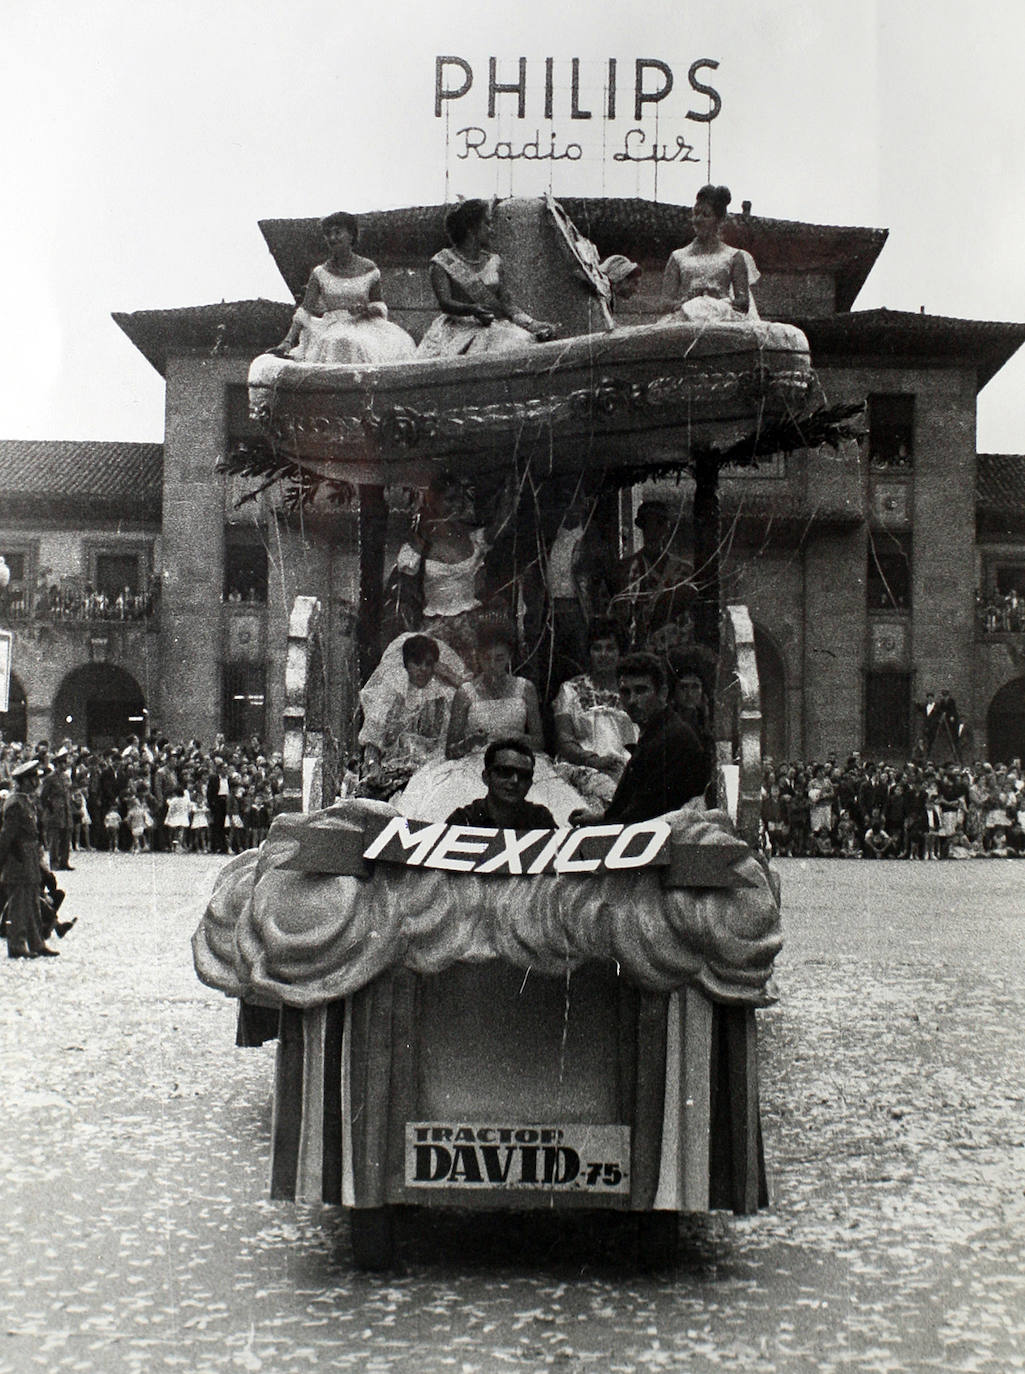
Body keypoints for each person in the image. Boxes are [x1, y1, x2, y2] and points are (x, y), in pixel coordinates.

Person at [394, 623, 584, 824]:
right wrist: (471, 742)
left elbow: (539, 741)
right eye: (486, 659)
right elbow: (451, 750)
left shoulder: (525, 688)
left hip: (516, 761)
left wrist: (516, 738)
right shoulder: (465, 692)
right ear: (478, 658)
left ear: (509, 657)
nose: (492, 665)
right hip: (476, 762)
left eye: (499, 658)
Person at [570, 652, 710, 826]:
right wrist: (600, 817)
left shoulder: (670, 738)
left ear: (663, 693)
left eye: (641, 690)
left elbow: (640, 818)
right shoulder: (653, 733)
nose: (632, 700)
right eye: (625, 692)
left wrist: (601, 822)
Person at [416, 199, 556, 358]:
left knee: (523, 343)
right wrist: (472, 309)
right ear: (471, 228)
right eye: (487, 223)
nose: (492, 230)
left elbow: (507, 304)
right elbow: (445, 303)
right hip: (458, 332)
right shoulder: (442, 262)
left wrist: (532, 324)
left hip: (494, 328)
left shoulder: (494, 261)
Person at [274, 211, 416, 364]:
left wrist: (365, 309)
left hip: (364, 325)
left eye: (338, 232)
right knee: (336, 341)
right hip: (332, 327)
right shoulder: (319, 273)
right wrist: (287, 341)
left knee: (368, 347)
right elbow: (305, 310)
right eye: (328, 234)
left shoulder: (369, 268)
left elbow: (379, 305)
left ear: (351, 236)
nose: (332, 238)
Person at [358, 634, 454, 800]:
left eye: (429, 664)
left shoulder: (443, 696)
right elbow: (372, 740)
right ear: (406, 664)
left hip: (431, 769)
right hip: (393, 767)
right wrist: (374, 767)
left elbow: (446, 744)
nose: (423, 669)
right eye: (417, 663)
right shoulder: (390, 694)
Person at [552, 619, 637, 805]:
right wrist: (592, 761)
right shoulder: (570, 689)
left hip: (628, 769)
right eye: (597, 648)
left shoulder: (633, 691)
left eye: (610, 648)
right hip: (583, 767)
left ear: (620, 652)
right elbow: (564, 740)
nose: (603, 654)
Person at [660, 184, 760, 323]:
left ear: (719, 220)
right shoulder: (678, 257)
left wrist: (719, 299)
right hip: (687, 320)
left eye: (706, 215)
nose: (698, 220)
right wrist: (686, 300)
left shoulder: (734, 257)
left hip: (722, 319)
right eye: (695, 214)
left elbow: (743, 303)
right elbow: (665, 303)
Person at [610, 500, 694, 649]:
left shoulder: (683, 570)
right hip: (638, 645)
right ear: (642, 528)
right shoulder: (626, 567)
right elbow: (621, 614)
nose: (653, 530)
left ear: (666, 528)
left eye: (658, 524)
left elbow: (687, 617)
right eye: (648, 524)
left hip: (673, 647)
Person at [0, 758, 59, 958]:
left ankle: (36, 942)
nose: (37, 782)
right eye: (34, 778)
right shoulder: (15, 803)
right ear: (25, 781)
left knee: (33, 902)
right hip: (19, 859)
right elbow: (7, 836)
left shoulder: (26, 800)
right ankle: (16, 945)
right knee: (18, 905)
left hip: (30, 857)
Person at [446, 738, 556, 830]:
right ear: (486, 777)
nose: (515, 780)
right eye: (505, 772)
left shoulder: (540, 819)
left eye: (524, 775)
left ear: (530, 783)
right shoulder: (464, 820)